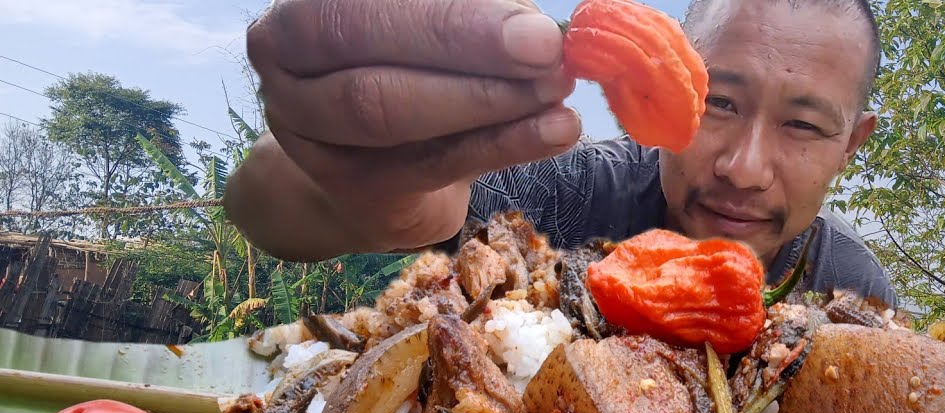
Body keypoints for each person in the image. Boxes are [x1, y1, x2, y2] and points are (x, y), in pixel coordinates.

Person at [225, 0, 896, 304]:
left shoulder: (855, 293)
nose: (743, 168)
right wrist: (366, 185)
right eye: (718, 102)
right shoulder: (571, 193)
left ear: (851, 146)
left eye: (803, 126)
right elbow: (261, 201)